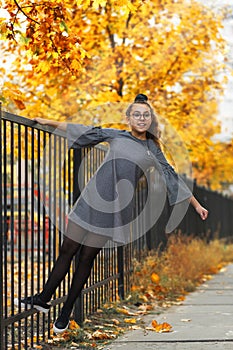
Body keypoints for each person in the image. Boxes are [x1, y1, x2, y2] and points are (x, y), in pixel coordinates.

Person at [14, 94, 208, 334]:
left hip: (113, 211)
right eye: (136, 114)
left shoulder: (152, 151)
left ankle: (65, 313)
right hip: (90, 200)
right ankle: (43, 299)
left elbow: (172, 177)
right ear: (128, 118)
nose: (141, 118)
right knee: (67, 250)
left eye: (146, 115)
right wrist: (46, 121)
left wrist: (196, 205)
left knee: (86, 259)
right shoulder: (116, 135)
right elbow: (82, 130)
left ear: (150, 119)